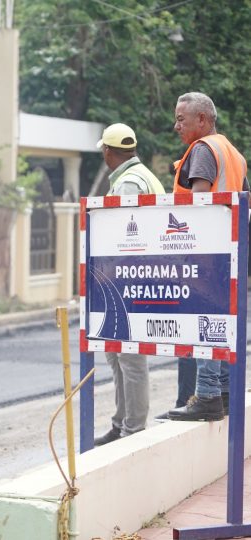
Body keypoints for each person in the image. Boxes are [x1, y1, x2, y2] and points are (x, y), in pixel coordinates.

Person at [167, 92, 248, 422]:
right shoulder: (233, 153)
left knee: (202, 326)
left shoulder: (202, 150)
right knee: (220, 324)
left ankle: (208, 394)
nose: (176, 126)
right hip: (228, 251)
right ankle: (225, 393)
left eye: (181, 119)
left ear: (202, 120)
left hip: (203, 252)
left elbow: (199, 205)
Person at [93, 123, 165, 446]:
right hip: (131, 281)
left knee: (130, 358)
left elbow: (127, 239)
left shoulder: (129, 184)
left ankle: (132, 430)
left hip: (129, 282)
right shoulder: (141, 176)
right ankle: (121, 422)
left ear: (108, 152)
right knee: (117, 354)